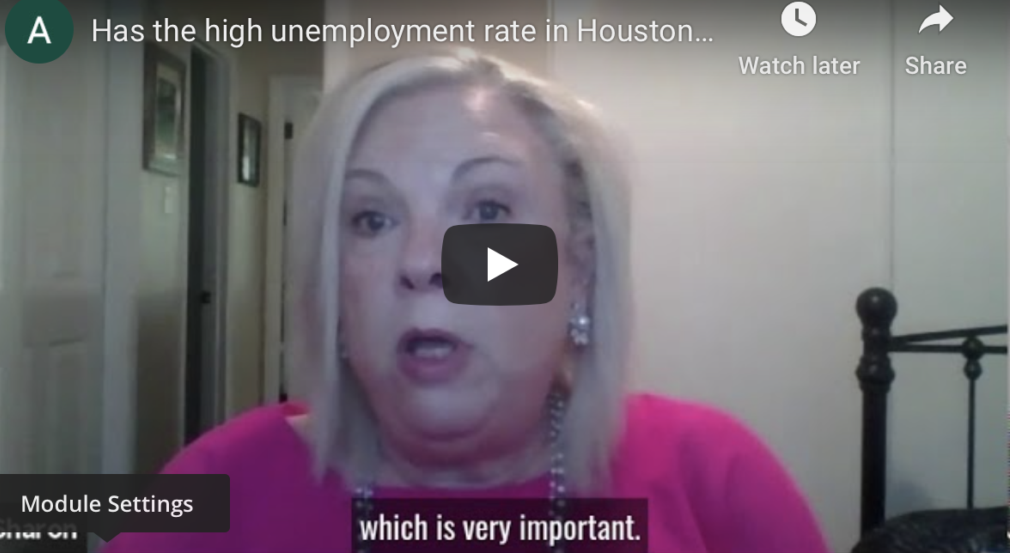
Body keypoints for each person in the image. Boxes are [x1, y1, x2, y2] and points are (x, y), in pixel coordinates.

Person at [103, 49, 830, 553]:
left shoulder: (715, 473)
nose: (423, 261)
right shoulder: (220, 482)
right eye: (372, 219)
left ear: (577, 270)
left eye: (486, 211)